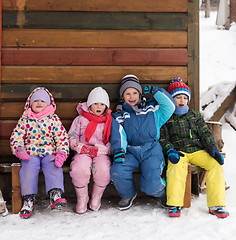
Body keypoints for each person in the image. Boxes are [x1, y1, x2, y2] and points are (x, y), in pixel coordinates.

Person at [160, 77, 229, 218]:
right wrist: (169, 150)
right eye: (178, 97)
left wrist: (212, 149)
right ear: (172, 99)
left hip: (197, 151)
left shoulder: (195, 116)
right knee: (176, 166)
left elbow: (205, 134)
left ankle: (217, 204)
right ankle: (174, 204)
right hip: (178, 152)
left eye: (184, 98)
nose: (181, 101)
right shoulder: (167, 117)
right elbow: (162, 137)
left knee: (215, 164)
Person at [110, 74, 175, 210]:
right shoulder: (120, 115)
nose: (132, 96)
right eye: (128, 93)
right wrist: (119, 151)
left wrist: (156, 92)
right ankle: (128, 194)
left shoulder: (152, 110)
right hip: (130, 151)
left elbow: (170, 106)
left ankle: (161, 192)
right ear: (123, 96)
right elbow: (119, 134)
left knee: (151, 184)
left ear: (139, 94)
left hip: (151, 149)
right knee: (118, 170)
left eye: (134, 93)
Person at [10, 87, 69, 219]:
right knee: (28, 168)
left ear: (48, 104)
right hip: (30, 152)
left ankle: (55, 194)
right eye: (35, 100)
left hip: (50, 152)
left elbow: (61, 137)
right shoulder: (25, 118)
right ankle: (28, 199)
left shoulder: (53, 119)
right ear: (30, 103)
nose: (39, 103)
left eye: (43, 101)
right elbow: (17, 135)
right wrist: (19, 149)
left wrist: (61, 153)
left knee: (54, 165)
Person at [68, 87, 112, 214]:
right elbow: (71, 136)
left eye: (102, 104)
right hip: (83, 151)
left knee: (103, 169)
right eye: (96, 104)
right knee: (79, 168)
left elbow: (113, 140)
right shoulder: (80, 119)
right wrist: (78, 146)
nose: (99, 107)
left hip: (101, 152)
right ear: (89, 105)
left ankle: (96, 196)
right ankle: (82, 198)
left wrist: (105, 149)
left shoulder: (109, 121)